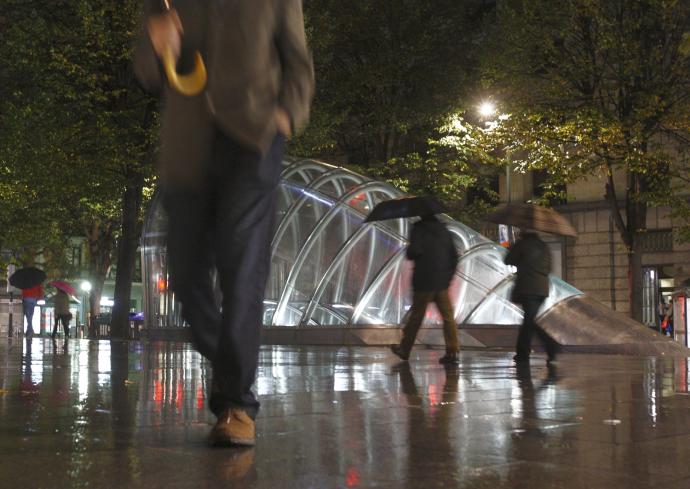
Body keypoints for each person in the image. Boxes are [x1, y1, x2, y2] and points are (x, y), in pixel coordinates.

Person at [133, 0, 314, 447]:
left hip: (252, 139)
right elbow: (147, 72)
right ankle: (230, 364)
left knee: (242, 268)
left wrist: (287, 114)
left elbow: (297, 61)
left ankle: (236, 405)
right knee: (187, 275)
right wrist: (158, 48)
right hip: (187, 148)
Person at [391, 214, 460, 364]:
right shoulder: (445, 231)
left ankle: (404, 348)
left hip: (424, 280)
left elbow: (412, 253)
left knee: (416, 317)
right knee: (448, 318)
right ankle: (452, 351)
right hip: (441, 282)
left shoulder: (419, 229)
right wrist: (447, 277)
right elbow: (454, 256)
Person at [505, 229, 558, 364]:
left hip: (527, 288)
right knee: (529, 320)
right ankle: (523, 352)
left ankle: (550, 345)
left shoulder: (522, 244)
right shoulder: (543, 246)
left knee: (529, 321)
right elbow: (548, 268)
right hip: (541, 289)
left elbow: (508, 260)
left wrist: (513, 248)